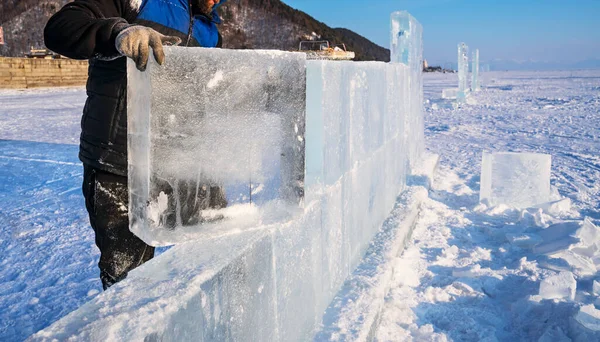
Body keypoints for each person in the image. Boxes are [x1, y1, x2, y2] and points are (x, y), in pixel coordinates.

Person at [44, 0, 227, 290]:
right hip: (120, 161)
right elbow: (61, 28)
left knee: (217, 250)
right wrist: (118, 33)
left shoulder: (210, 31)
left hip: (181, 158)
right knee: (132, 280)